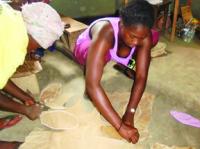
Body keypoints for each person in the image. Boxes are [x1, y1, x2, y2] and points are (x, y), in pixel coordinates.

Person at [73, 0, 159, 143]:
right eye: (132, 36)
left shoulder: (142, 36)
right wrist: (120, 127)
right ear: (121, 24)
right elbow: (93, 86)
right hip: (85, 48)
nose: (136, 42)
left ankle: (125, 64)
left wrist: (130, 113)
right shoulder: (105, 32)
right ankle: (98, 67)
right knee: (101, 61)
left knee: (151, 40)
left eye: (140, 37)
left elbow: (142, 77)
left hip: (118, 47)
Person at [0, 2, 64, 129]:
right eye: (39, 46)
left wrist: (23, 96)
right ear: (36, 38)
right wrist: (24, 109)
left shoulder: (10, 13)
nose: (35, 50)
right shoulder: (14, 49)